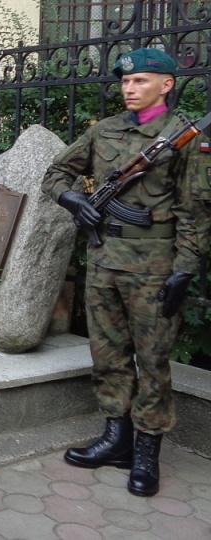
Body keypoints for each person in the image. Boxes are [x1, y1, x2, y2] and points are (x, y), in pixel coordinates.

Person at [42, 48, 211, 498]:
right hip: (102, 259)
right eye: (125, 82)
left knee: (152, 361)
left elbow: (196, 210)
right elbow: (56, 172)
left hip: (155, 266)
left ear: (166, 84)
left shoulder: (186, 137)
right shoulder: (105, 130)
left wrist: (186, 269)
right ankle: (115, 440)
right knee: (108, 354)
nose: (129, 89)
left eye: (140, 81)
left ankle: (146, 454)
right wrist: (71, 199)